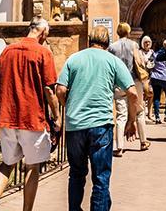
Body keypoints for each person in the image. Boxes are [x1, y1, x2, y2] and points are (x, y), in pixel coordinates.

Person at [57, 25, 141, 211]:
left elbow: (60, 90)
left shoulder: (74, 59)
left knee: (76, 173)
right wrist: (131, 121)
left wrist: (67, 106)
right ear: (107, 42)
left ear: (89, 40)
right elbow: (133, 94)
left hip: (75, 126)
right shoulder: (113, 61)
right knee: (101, 178)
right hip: (101, 126)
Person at [0, 17, 59, 211]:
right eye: (46, 35)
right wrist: (57, 116)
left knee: (6, 164)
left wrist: (0, 106)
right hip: (33, 119)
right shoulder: (43, 52)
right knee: (32, 166)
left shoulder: (7, 51)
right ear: (42, 33)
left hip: (8, 119)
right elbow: (49, 90)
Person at [108, 22, 150, 154]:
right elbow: (139, 61)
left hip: (119, 83)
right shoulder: (134, 45)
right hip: (134, 81)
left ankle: (119, 146)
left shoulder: (112, 47)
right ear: (128, 31)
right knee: (139, 111)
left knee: (121, 115)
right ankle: (143, 141)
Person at [149, 35, 166, 124]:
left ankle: (157, 117)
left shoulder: (154, 54)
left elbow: (150, 64)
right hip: (165, 77)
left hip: (155, 77)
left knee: (156, 97)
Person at [140, 35, 156, 115]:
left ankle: (150, 113)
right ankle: (142, 112)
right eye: (145, 42)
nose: (147, 44)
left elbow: (154, 62)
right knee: (143, 95)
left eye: (149, 42)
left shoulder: (152, 52)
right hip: (142, 76)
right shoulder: (140, 52)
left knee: (151, 94)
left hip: (151, 76)